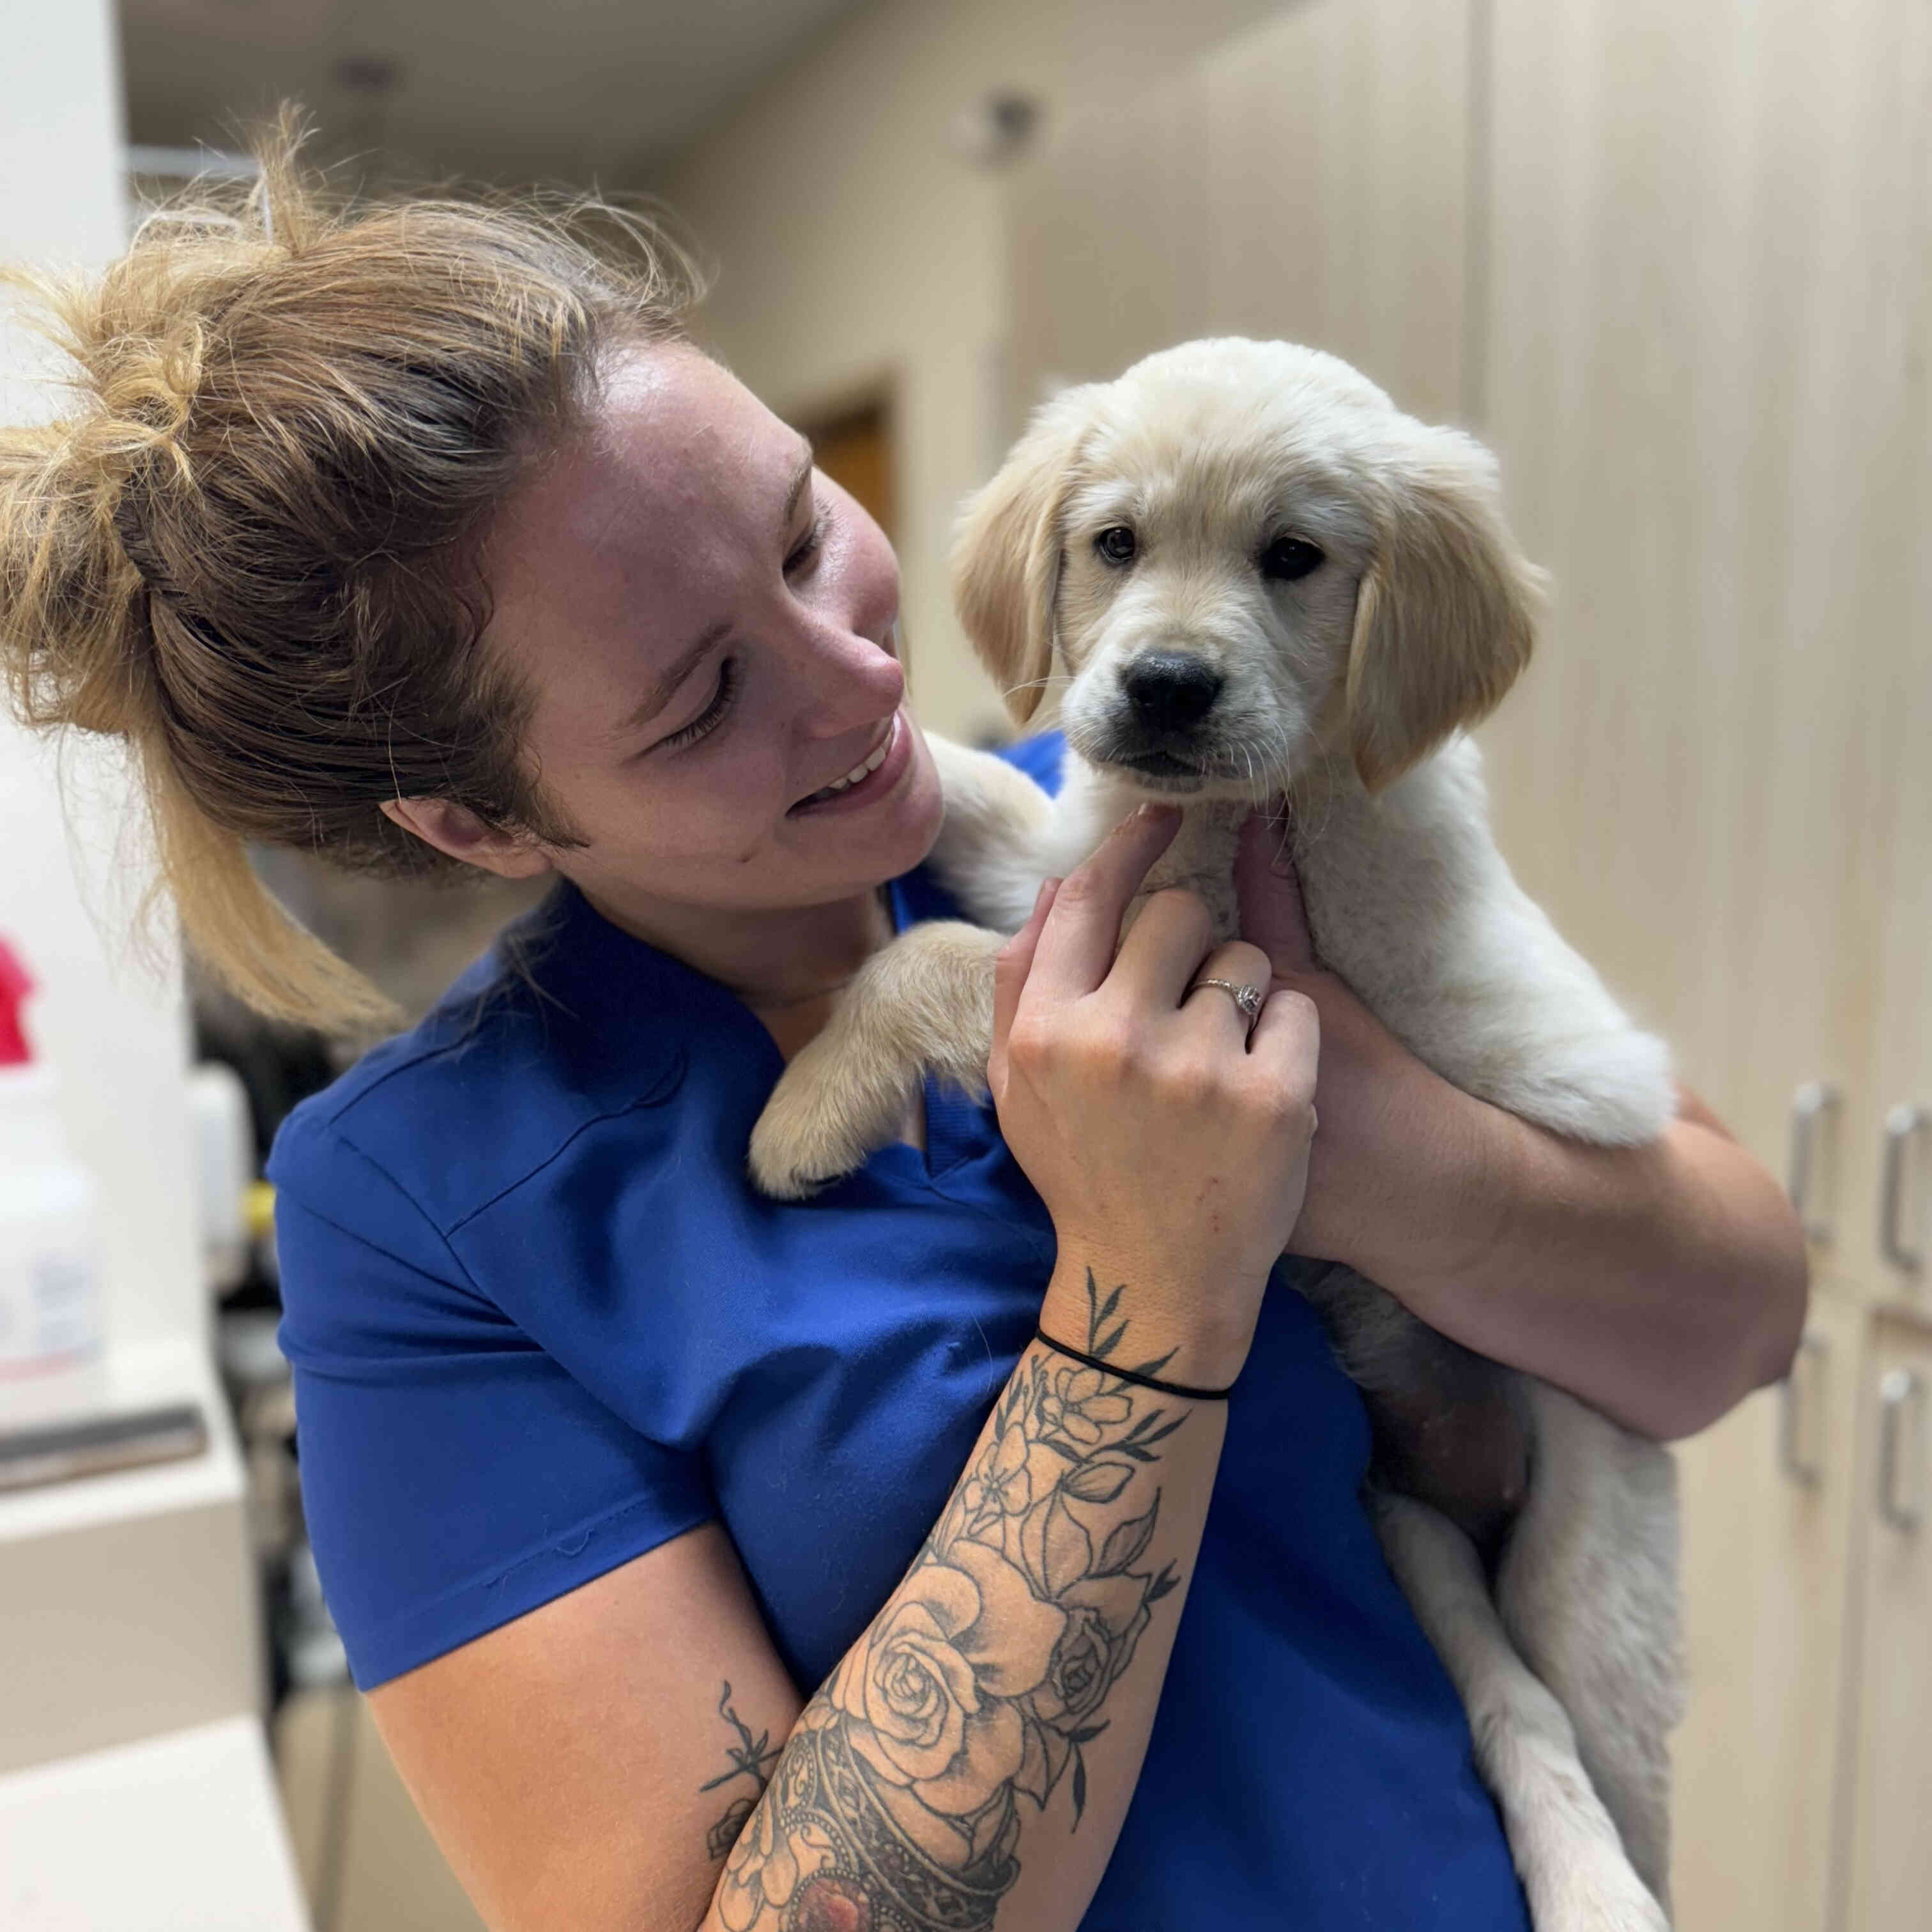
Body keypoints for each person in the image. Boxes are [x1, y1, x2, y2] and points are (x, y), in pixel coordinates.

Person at [0, 141, 1806, 1932]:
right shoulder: (423, 1204)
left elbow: (1739, 1318)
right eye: (706, 693)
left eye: (803, 534)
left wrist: (1372, 1154)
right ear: (480, 821)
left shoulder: (1159, 809)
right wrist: (1146, 1300)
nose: (862, 678)